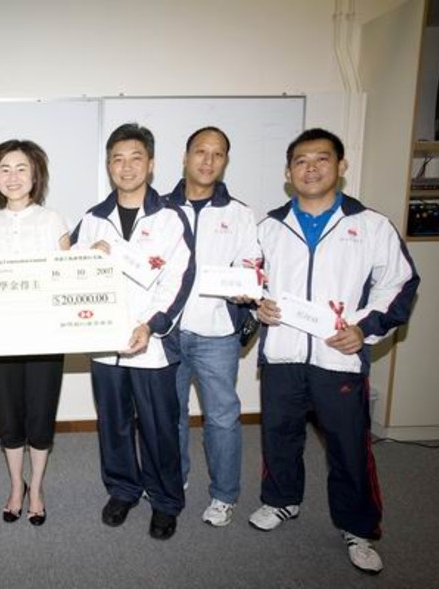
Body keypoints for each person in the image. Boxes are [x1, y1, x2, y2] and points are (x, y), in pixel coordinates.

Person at [251, 128, 420, 574]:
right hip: (284, 354)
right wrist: (257, 305)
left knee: (348, 445)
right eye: (301, 161)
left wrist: (366, 329)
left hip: (338, 357)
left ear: (341, 167)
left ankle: (358, 526)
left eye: (321, 159)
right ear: (288, 173)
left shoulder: (369, 225)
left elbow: (400, 285)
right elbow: (248, 282)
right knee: (279, 435)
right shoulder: (268, 226)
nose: (311, 168)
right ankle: (281, 500)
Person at [71, 123, 194, 541]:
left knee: (160, 425)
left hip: (151, 344)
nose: (126, 167)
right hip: (105, 345)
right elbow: (74, 280)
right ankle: (123, 489)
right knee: (114, 422)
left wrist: (152, 325)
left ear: (152, 164)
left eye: (135, 158)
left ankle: (164, 501)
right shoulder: (92, 220)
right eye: (117, 159)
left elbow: (179, 279)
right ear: (108, 166)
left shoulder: (170, 218)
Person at [164, 127, 260, 527]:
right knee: (170, 413)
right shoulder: (159, 208)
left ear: (225, 161)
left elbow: (251, 265)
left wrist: (246, 288)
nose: (207, 160)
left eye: (217, 154)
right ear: (185, 157)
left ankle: (224, 495)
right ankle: (177, 476)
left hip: (217, 334)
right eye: (200, 152)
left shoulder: (239, 214)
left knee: (222, 416)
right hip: (165, 332)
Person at [0, 139, 70, 526]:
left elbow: (69, 278)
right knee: (10, 417)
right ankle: (17, 486)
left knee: (41, 417)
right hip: (0, 337)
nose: (13, 177)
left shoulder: (52, 220)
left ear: (36, 176)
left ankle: (39, 486)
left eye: (21, 169)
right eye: (4, 169)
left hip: (46, 337)